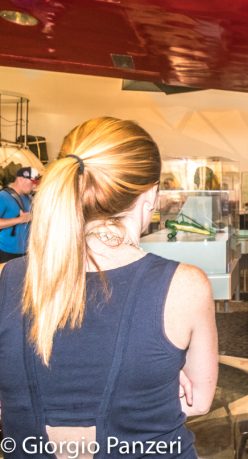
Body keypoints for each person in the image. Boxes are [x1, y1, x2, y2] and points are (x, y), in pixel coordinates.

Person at [0, 117, 219, 459]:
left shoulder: (6, 278)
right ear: (150, 193)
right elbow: (199, 400)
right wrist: (157, 377)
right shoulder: (185, 285)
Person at [0, 166, 39, 263]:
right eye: (33, 182)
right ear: (21, 179)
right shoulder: (3, 196)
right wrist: (19, 220)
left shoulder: (28, 197)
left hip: (26, 251)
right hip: (7, 252)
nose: (34, 186)